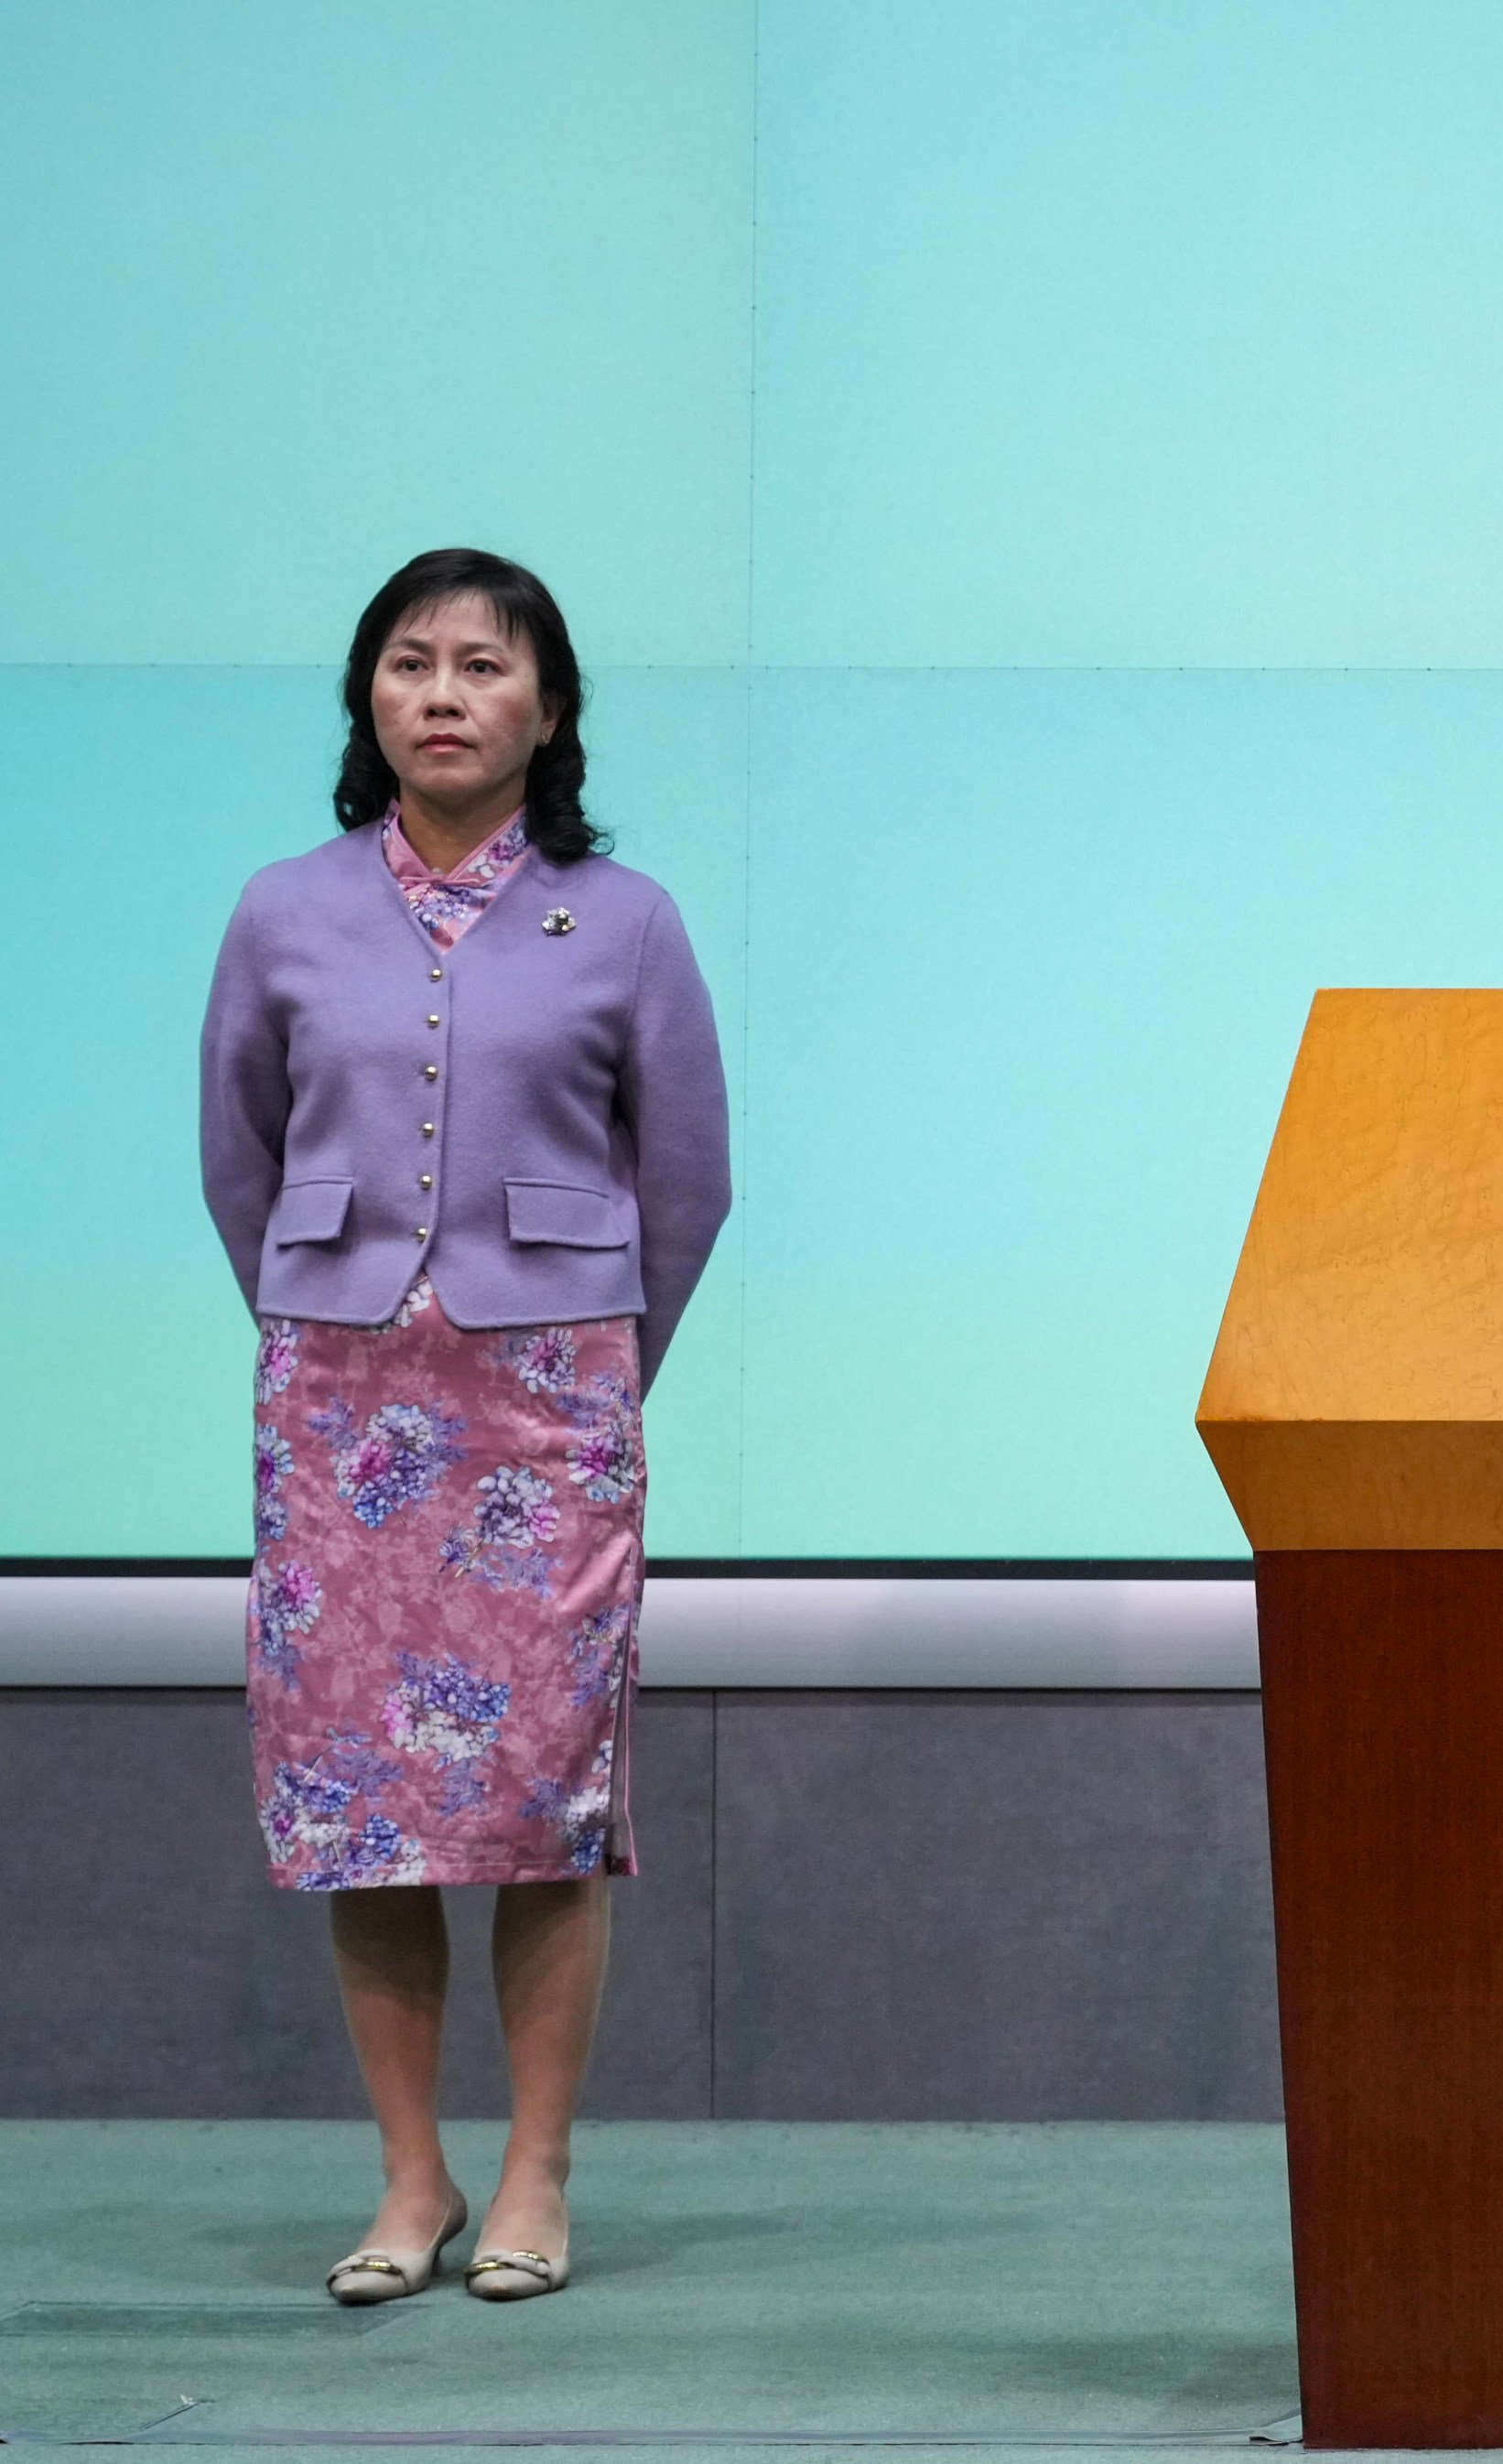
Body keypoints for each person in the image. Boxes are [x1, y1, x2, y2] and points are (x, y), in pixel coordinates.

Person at [200, 549, 731, 2304]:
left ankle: (536, 2174)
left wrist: (593, 1373)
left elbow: (686, 1181)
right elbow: (239, 1156)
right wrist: (320, 1328)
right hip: (341, 1408)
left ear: (548, 710)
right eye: (409, 663)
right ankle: (409, 2178)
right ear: (368, 697)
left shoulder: (627, 916)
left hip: (549, 1412)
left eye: (484, 666)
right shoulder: (283, 909)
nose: (443, 693)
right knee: (367, 1800)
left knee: (543, 1799)